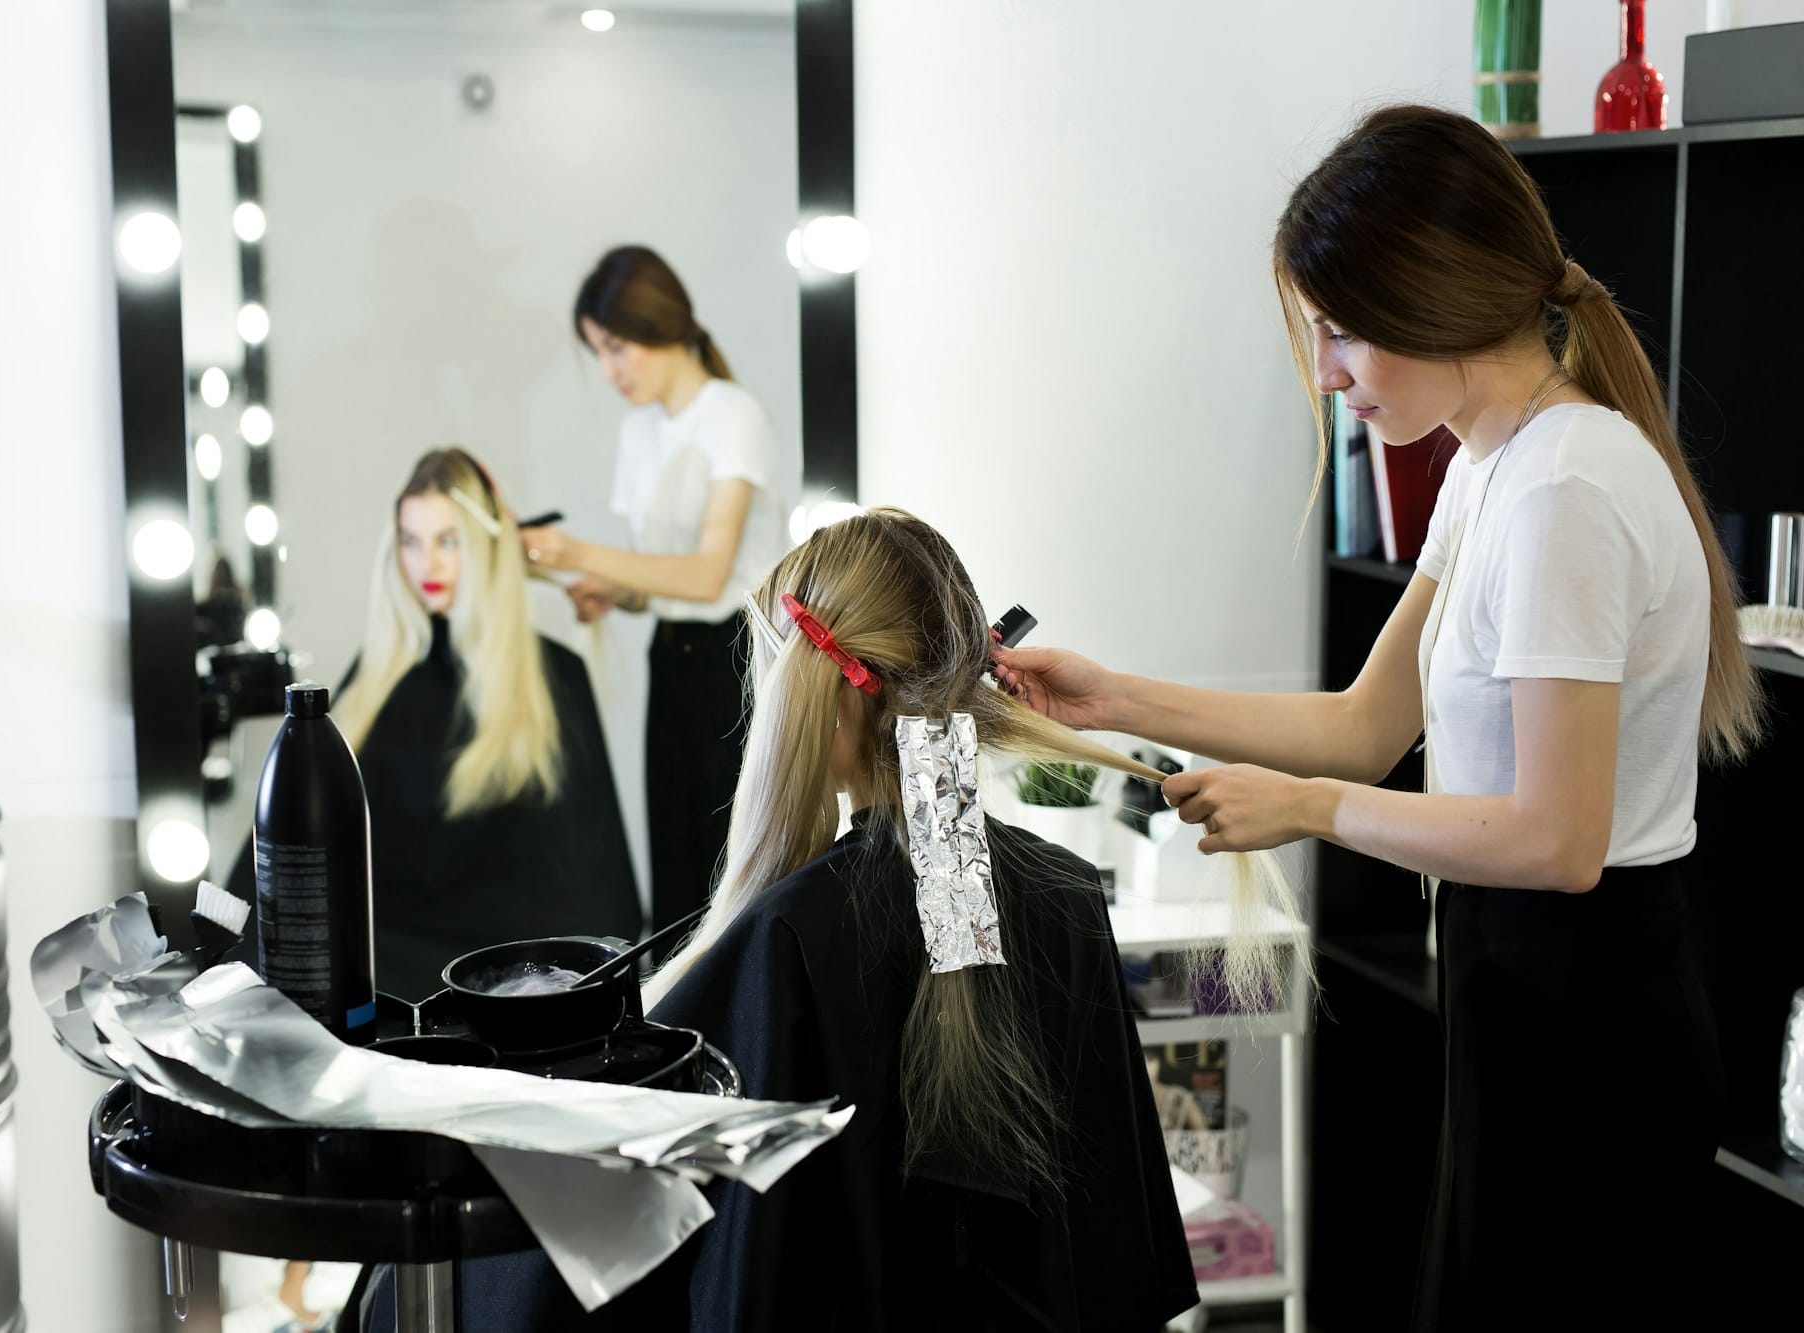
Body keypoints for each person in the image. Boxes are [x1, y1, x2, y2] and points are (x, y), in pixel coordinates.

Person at [993, 105, 1763, 1331]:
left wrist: (1308, 811)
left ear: (1436, 296)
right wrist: (1116, 695)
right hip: (1511, 988)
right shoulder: (1487, 466)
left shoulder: (1564, 488)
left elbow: (1555, 839)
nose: (1324, 373)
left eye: (1341, 330)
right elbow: (1364, 725)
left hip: (1589, 1022)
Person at [436, 508, 1306, 1332]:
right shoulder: (1069, 895)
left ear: (831, 696)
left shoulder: (787, 937)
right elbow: (1116, 1256)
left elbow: (659, 1261)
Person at [229, 447, 641, 1001]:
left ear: (486, 546)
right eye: (411, 540)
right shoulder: (378, 677)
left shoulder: (552, 678)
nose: (428, 563)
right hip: (379, 968)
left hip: (496, 979)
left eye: (449, 541)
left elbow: (596, 885)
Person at [518, 246, 789, 931]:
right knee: (675, 862)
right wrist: (614, 591)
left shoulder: (733, 416)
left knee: (735, 866)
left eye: (616, 348)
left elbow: (706, 574)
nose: (609, 371)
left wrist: (580, 551)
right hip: (670, 659)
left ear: (660, 323)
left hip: (738, 660)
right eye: (598, 354)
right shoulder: (638, 431)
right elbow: (659, 575)